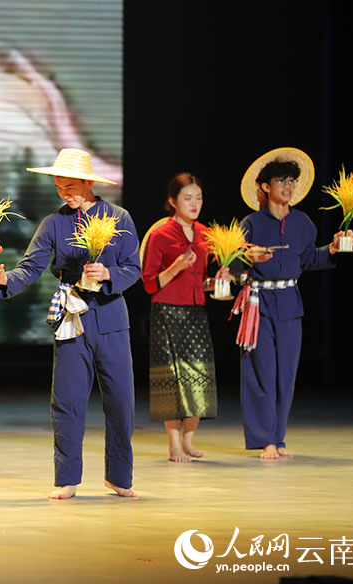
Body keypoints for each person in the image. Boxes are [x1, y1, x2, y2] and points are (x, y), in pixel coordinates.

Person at [0, 148, 140, 499]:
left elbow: (134, 269)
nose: (65, 192)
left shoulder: (119, 217)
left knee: (121, 402)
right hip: (71, 317)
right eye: (59, 187)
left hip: (111, 319)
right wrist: (3, 279)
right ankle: (67, 478)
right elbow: (30, 268)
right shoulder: (53, 224)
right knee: (68, 401)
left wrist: (108, 273)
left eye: (71, 186)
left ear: (88, 183)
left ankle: (119, 476)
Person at [233, 148, 351, 459]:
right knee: (261, 372)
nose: (287, 186)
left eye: (291, 181)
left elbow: (309, 259)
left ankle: (278, 438)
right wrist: (246, 257)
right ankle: (264, 439)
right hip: (259, 302)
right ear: (265, 187)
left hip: (289, 302)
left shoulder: (303, 223)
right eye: (280, 180)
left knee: (286, 373)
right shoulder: (251, 223)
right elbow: (231, 267)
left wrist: (334, 249)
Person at [141, 173, 227, 462]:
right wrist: (176, 266)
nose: (194, 203)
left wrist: (216, 283)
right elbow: (150, 282)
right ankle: (174, 444)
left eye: (198, 198)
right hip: (167, 310)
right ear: (172, 201)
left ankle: (189, 440)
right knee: (172, 377)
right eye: (187, 198)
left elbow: (200, 279)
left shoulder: (205, 234)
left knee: (199, 375)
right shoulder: (160, 234)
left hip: (195, 311)